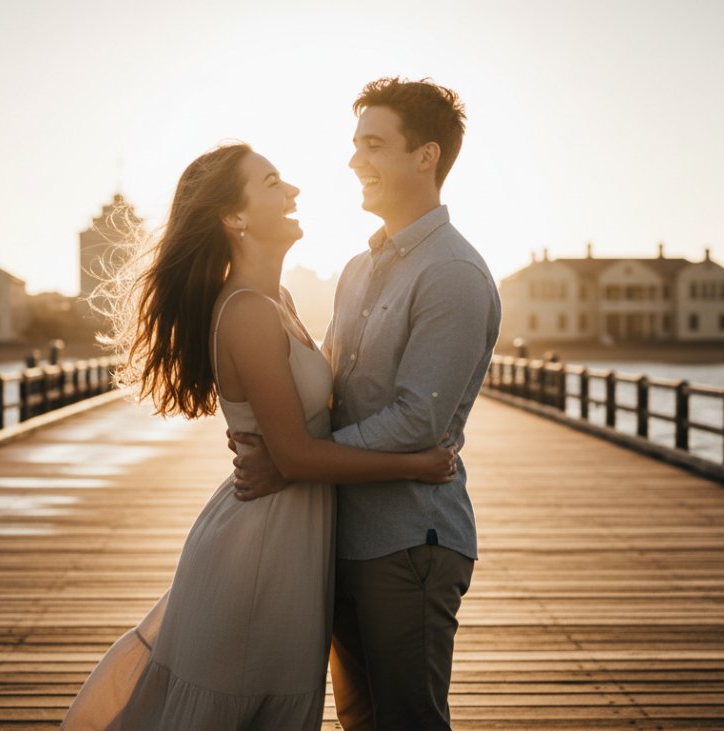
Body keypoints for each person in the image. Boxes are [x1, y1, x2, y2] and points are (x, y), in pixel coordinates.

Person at [59, 142, 458, 731]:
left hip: (293, 538)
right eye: (273, 183)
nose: (293, 191)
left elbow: (303, 433)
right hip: (257, 547)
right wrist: (415, 464)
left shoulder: (281, 301)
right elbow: (294, 453)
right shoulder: (246, 309)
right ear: (234, 217)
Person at [232, 77, 502, 730]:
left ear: (426, 156)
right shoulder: (356, 268)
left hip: (410, 539)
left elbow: (419, 422)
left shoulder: (452, 274)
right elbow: (330, 389)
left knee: (408, 721)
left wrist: (296, 462)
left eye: (374, 144)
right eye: (355, 145)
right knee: (359, 719)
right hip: (340, 535)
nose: (355, 160)